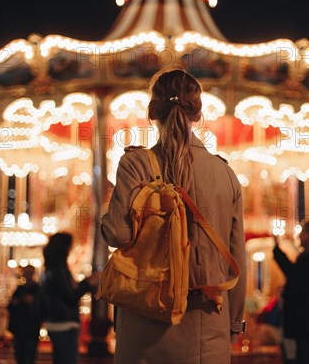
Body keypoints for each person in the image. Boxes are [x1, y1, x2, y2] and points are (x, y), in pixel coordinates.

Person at [101, 68, 247, 364]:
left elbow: (118, 234)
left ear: (153, 111)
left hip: (145, 321)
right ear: (197, 112)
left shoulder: (135, 163)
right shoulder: (226, 174)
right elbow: (236, 255)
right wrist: (234, 325)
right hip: (207, 325)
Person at [273, 220, 309, 364]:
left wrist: (277, 249)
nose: (299, 237)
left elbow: (294, 274)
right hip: (307, 325)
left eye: (302, 234)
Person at [40, 233, 101, 364]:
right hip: (64, 323)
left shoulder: (50, 269)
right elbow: (70, 296)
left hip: (56, 322)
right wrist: (89, 283)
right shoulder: (58, 270)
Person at [8, 265, 42, 364]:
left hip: (31, 326)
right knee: (20, 353)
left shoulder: (37, 289)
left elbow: (41, 307)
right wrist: (19, 301)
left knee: (29, 353)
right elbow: (10, 305)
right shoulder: (20, 289)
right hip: (20, 326)